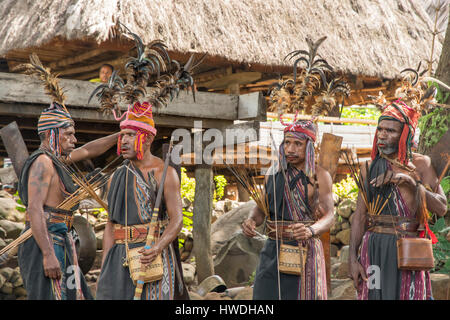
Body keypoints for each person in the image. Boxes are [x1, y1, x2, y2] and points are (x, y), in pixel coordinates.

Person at [17, 102, 119, 300]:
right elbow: (35, 209)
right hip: (44, 243)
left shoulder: (57, 159)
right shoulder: (42, 162)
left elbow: (88, 150)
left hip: (62, 241)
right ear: (51, 134)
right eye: (69, 134)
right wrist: (47, 255)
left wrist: (120, 135)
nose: (74, 139)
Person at [349, 100, 447, 300]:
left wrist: (410, 182)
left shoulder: (421, 165)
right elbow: (359, 217)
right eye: (380, 129)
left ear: (405, 135)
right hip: (373, 249)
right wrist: (352, 258)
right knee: (374, 294)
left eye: (391, 131)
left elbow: (442, 207)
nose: (383, 135)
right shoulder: (368, 168)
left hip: (408, 248)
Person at [96, 101, 188, 300]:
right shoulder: (116, 177)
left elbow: (177, 220)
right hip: (119, 256)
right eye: (122, 136)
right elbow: (111, 226)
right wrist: (105, 266)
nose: (124, 141)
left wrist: (158, 247)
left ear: (147, 139)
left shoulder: (165, 173)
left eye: (131, 135)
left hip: (152, 256)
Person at [242, 120, 334, 300]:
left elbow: (330, 216)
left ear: (309, 146)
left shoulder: (319, 175)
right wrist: (251, 220)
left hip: (304, 249)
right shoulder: (272, 173)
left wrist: (310, 230)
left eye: (298, 144)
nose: (290, 149)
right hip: (273, 248)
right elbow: (261, 208)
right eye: (287, 142)